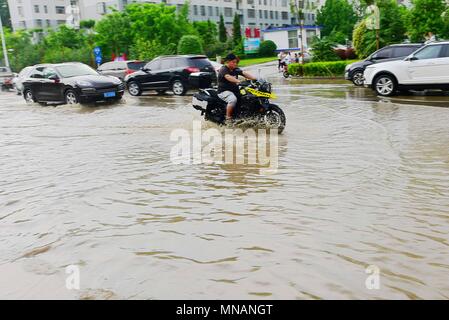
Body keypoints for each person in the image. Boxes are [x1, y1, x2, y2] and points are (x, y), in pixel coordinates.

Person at [217, 53, 257, 122]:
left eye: (236, 62)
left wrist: (255, 79)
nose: (235, 64)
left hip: (234, 90)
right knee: (233, 99)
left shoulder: (235, 69)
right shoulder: (223, 69)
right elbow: (228, 77)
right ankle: (228, 118)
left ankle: (244, 115)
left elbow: (244, 73)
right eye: (233, 62)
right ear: (228, 62)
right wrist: (238, 81)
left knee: (247, 97)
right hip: (224, 92)